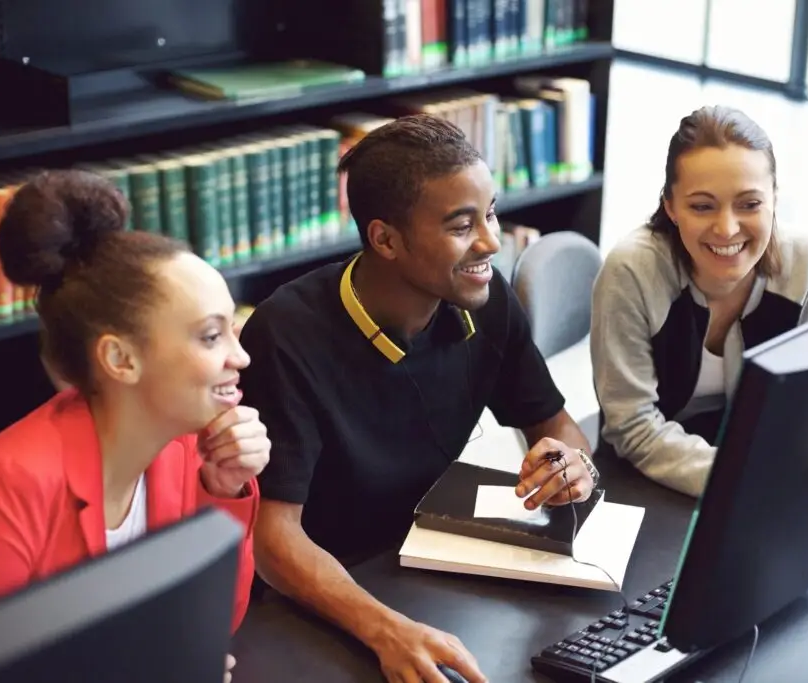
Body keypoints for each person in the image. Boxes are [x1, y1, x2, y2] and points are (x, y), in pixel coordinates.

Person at [238, 113, 597, 683]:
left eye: (492, 212)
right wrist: (384, 629)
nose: (491, 241)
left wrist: (570, 465)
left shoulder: (485, 297)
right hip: (320, 601)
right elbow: (273, 539)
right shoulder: (286, 333)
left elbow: (555, 424)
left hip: (428, 567)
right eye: (461, 225)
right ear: (385, 239)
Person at [0, 170, 270, 682]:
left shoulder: (184, 449)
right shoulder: (3, 488)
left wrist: (222, 489)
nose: (242, 356)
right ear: (120, 359)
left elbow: (213, 627)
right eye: (211, 337)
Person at [590, 104, 808, 499]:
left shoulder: (806, 265)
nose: (727, 228)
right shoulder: (631, 271)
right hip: (645, 476)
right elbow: (631, 427)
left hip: (756, 464)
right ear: (670, 206)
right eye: (702, 206)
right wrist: (746, 479)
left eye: (750, 204)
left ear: (774, 198)